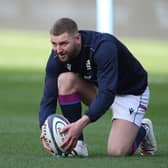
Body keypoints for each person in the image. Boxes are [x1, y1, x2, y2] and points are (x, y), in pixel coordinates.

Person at [39, 17, 157, 157]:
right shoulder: (57, 56)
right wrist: (45, 131)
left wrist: (80, 123)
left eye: (63, 43)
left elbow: (107, 94)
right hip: (102, 89)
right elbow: (48, 99)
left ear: (77, 38)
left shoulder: (103, 47)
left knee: (116, 152)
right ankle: (78, 145)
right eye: (54, 44)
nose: (58, 50)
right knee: (65, 80)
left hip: (131, 93)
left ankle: (143, 129)